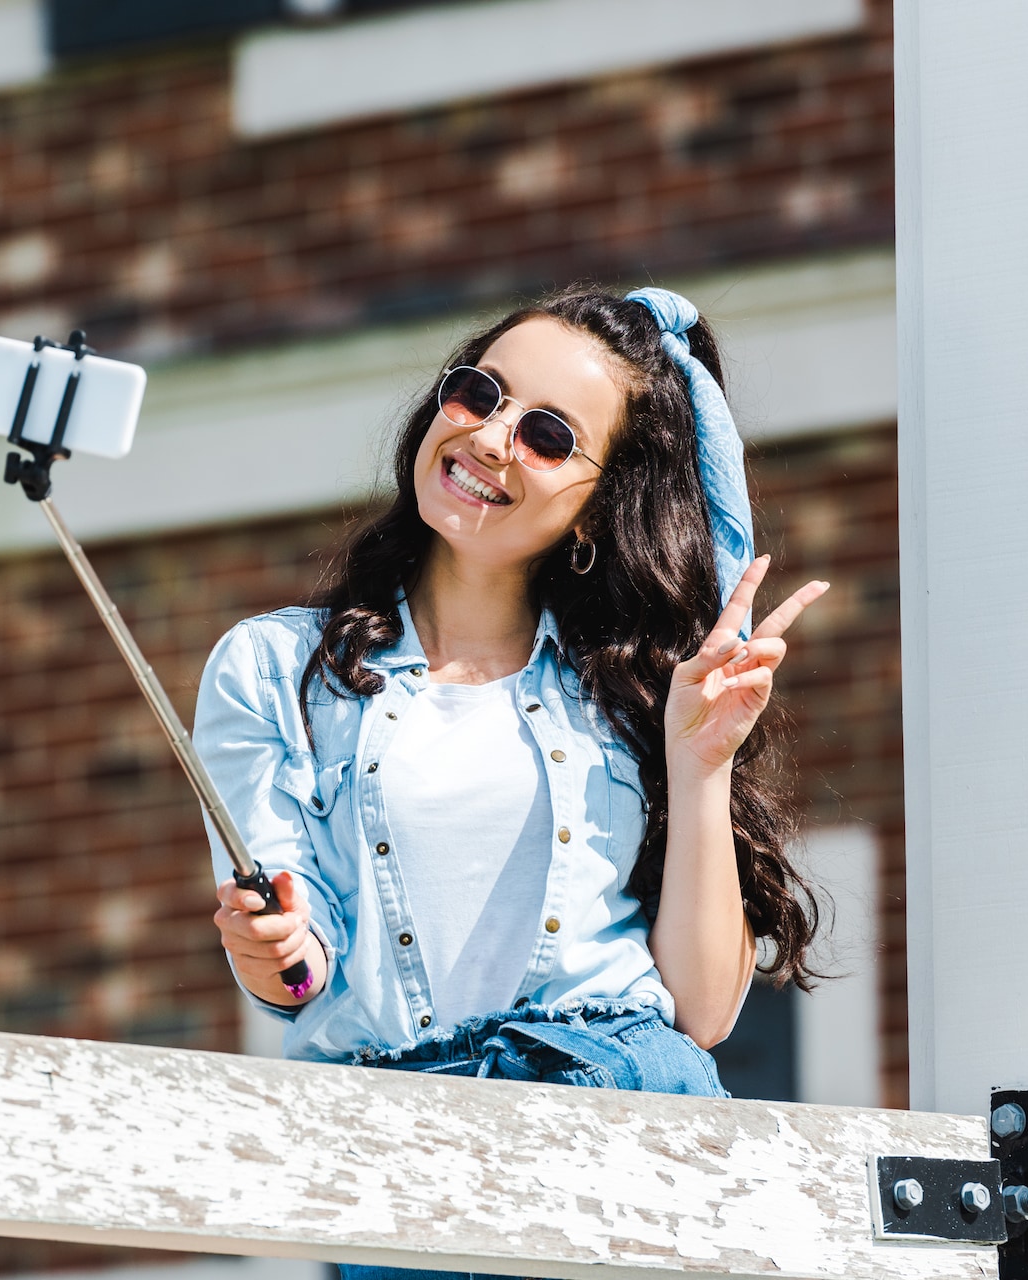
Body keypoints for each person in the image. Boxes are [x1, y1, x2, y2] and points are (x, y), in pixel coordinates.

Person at [195, 287, 829, 1280]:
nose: (489, 437)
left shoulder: (639, 687)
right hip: (403, 1166)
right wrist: (270, 945)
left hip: (630, 1137)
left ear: (597, 501)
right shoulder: (271, 668)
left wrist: (698, 758)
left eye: (543, 434)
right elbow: (298, 972)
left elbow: (700, 1014)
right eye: (476, 392)